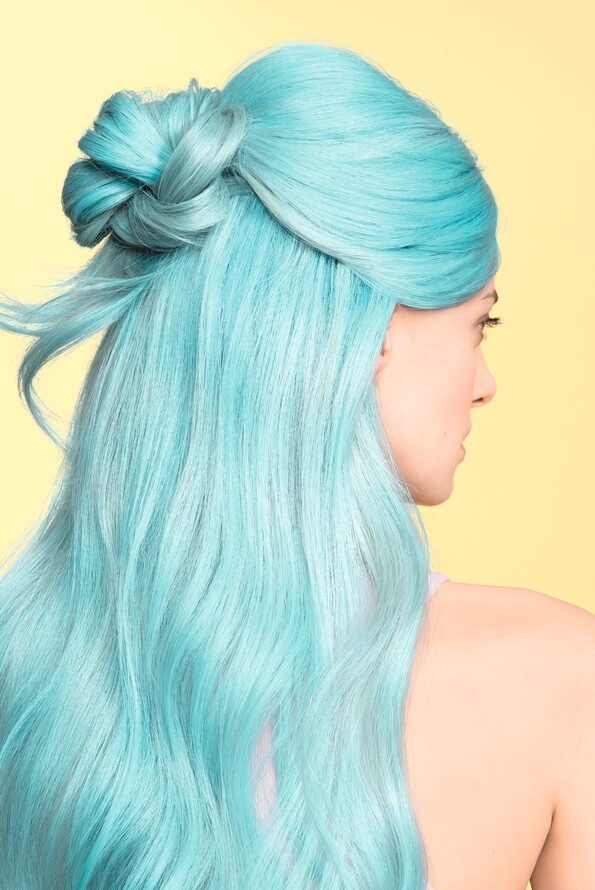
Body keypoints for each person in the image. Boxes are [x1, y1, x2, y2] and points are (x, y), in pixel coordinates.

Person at [0, 39, 593, 890]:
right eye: (479, 324)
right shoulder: (554, 680)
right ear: (371, 328)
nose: (484, 383)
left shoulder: (29, 670)